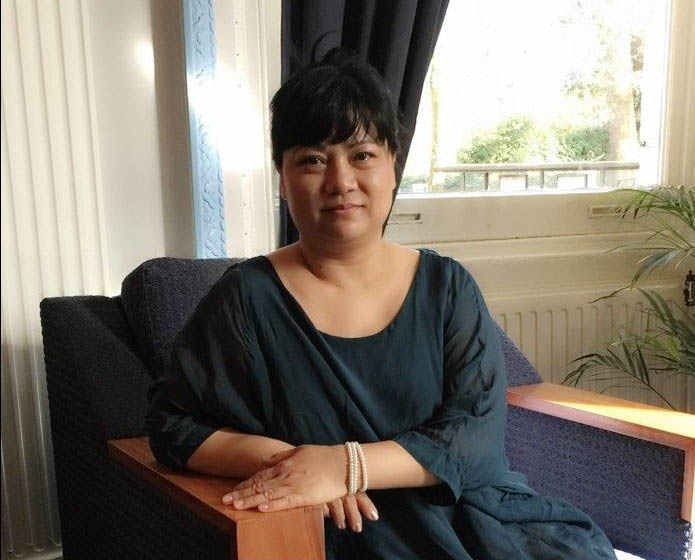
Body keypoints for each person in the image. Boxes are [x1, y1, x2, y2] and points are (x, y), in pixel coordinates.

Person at [146, 48, 618, 559]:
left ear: (393, 166)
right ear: (281, 179)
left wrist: (346, 466)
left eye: (362, 155)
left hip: (476, 518)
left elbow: (477, 440)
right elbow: (172, 426)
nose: (340, 181)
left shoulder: (446, 287)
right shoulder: (246, 299)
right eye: (312, 160)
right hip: (355, 534)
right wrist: (294, 464)